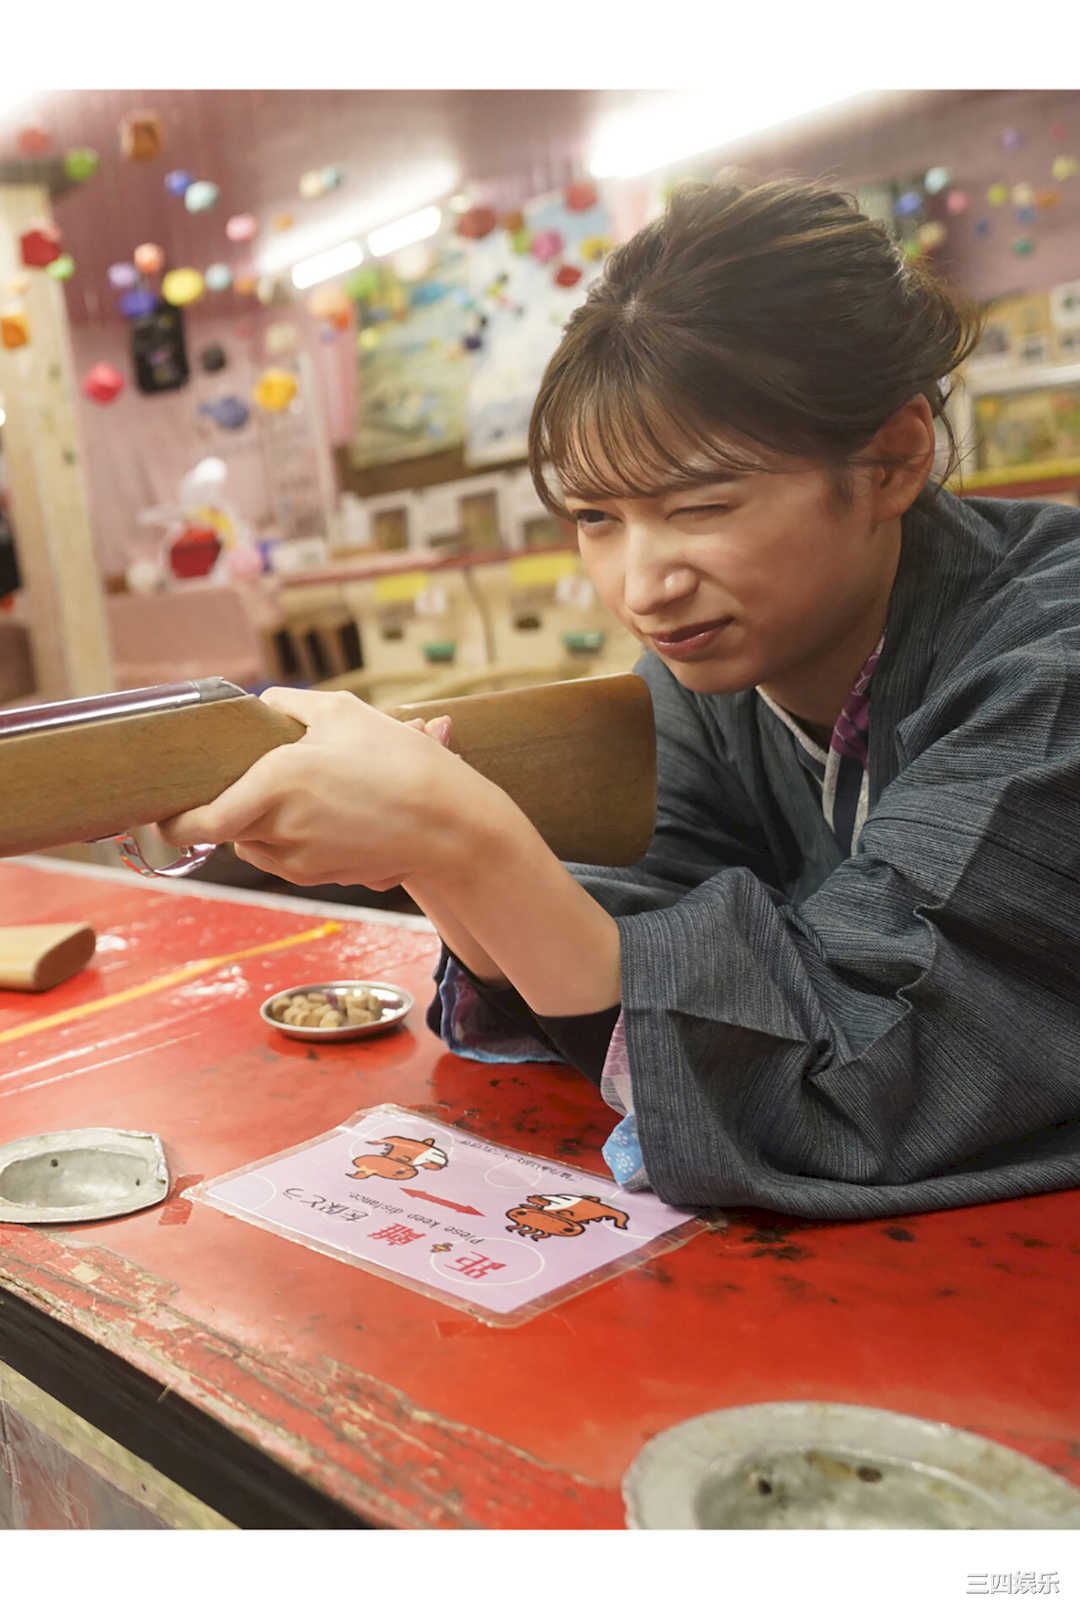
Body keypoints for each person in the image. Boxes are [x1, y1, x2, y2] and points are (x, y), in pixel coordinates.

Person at [162, 176, 1080, 1220]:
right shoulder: (705, 676)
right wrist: (435, 856)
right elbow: (622, 969)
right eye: (595, 517)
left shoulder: (1053, 669)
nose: (643, 587)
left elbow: (863, 1076)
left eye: (701, 506)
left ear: (892, 459)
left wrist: (467, 840)